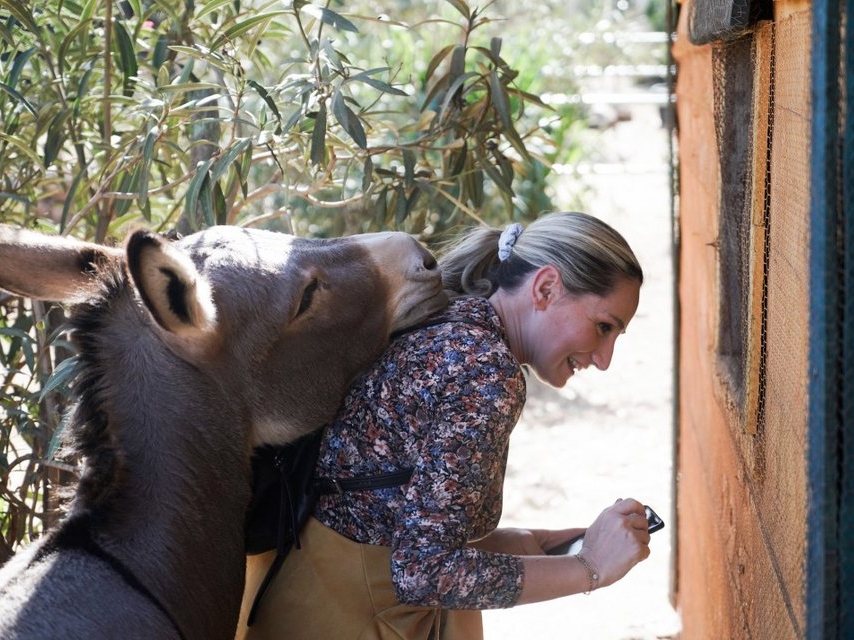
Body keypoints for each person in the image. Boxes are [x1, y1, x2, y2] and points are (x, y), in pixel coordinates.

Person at [239, 211, 651, 639]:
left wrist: (524, 546)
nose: (604, 359)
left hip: (305, 603)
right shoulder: (484, 369)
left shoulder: (445, 325)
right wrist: (590, 568)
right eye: (603, 327)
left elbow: (383, 518)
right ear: (545, 288)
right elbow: (423, 573)